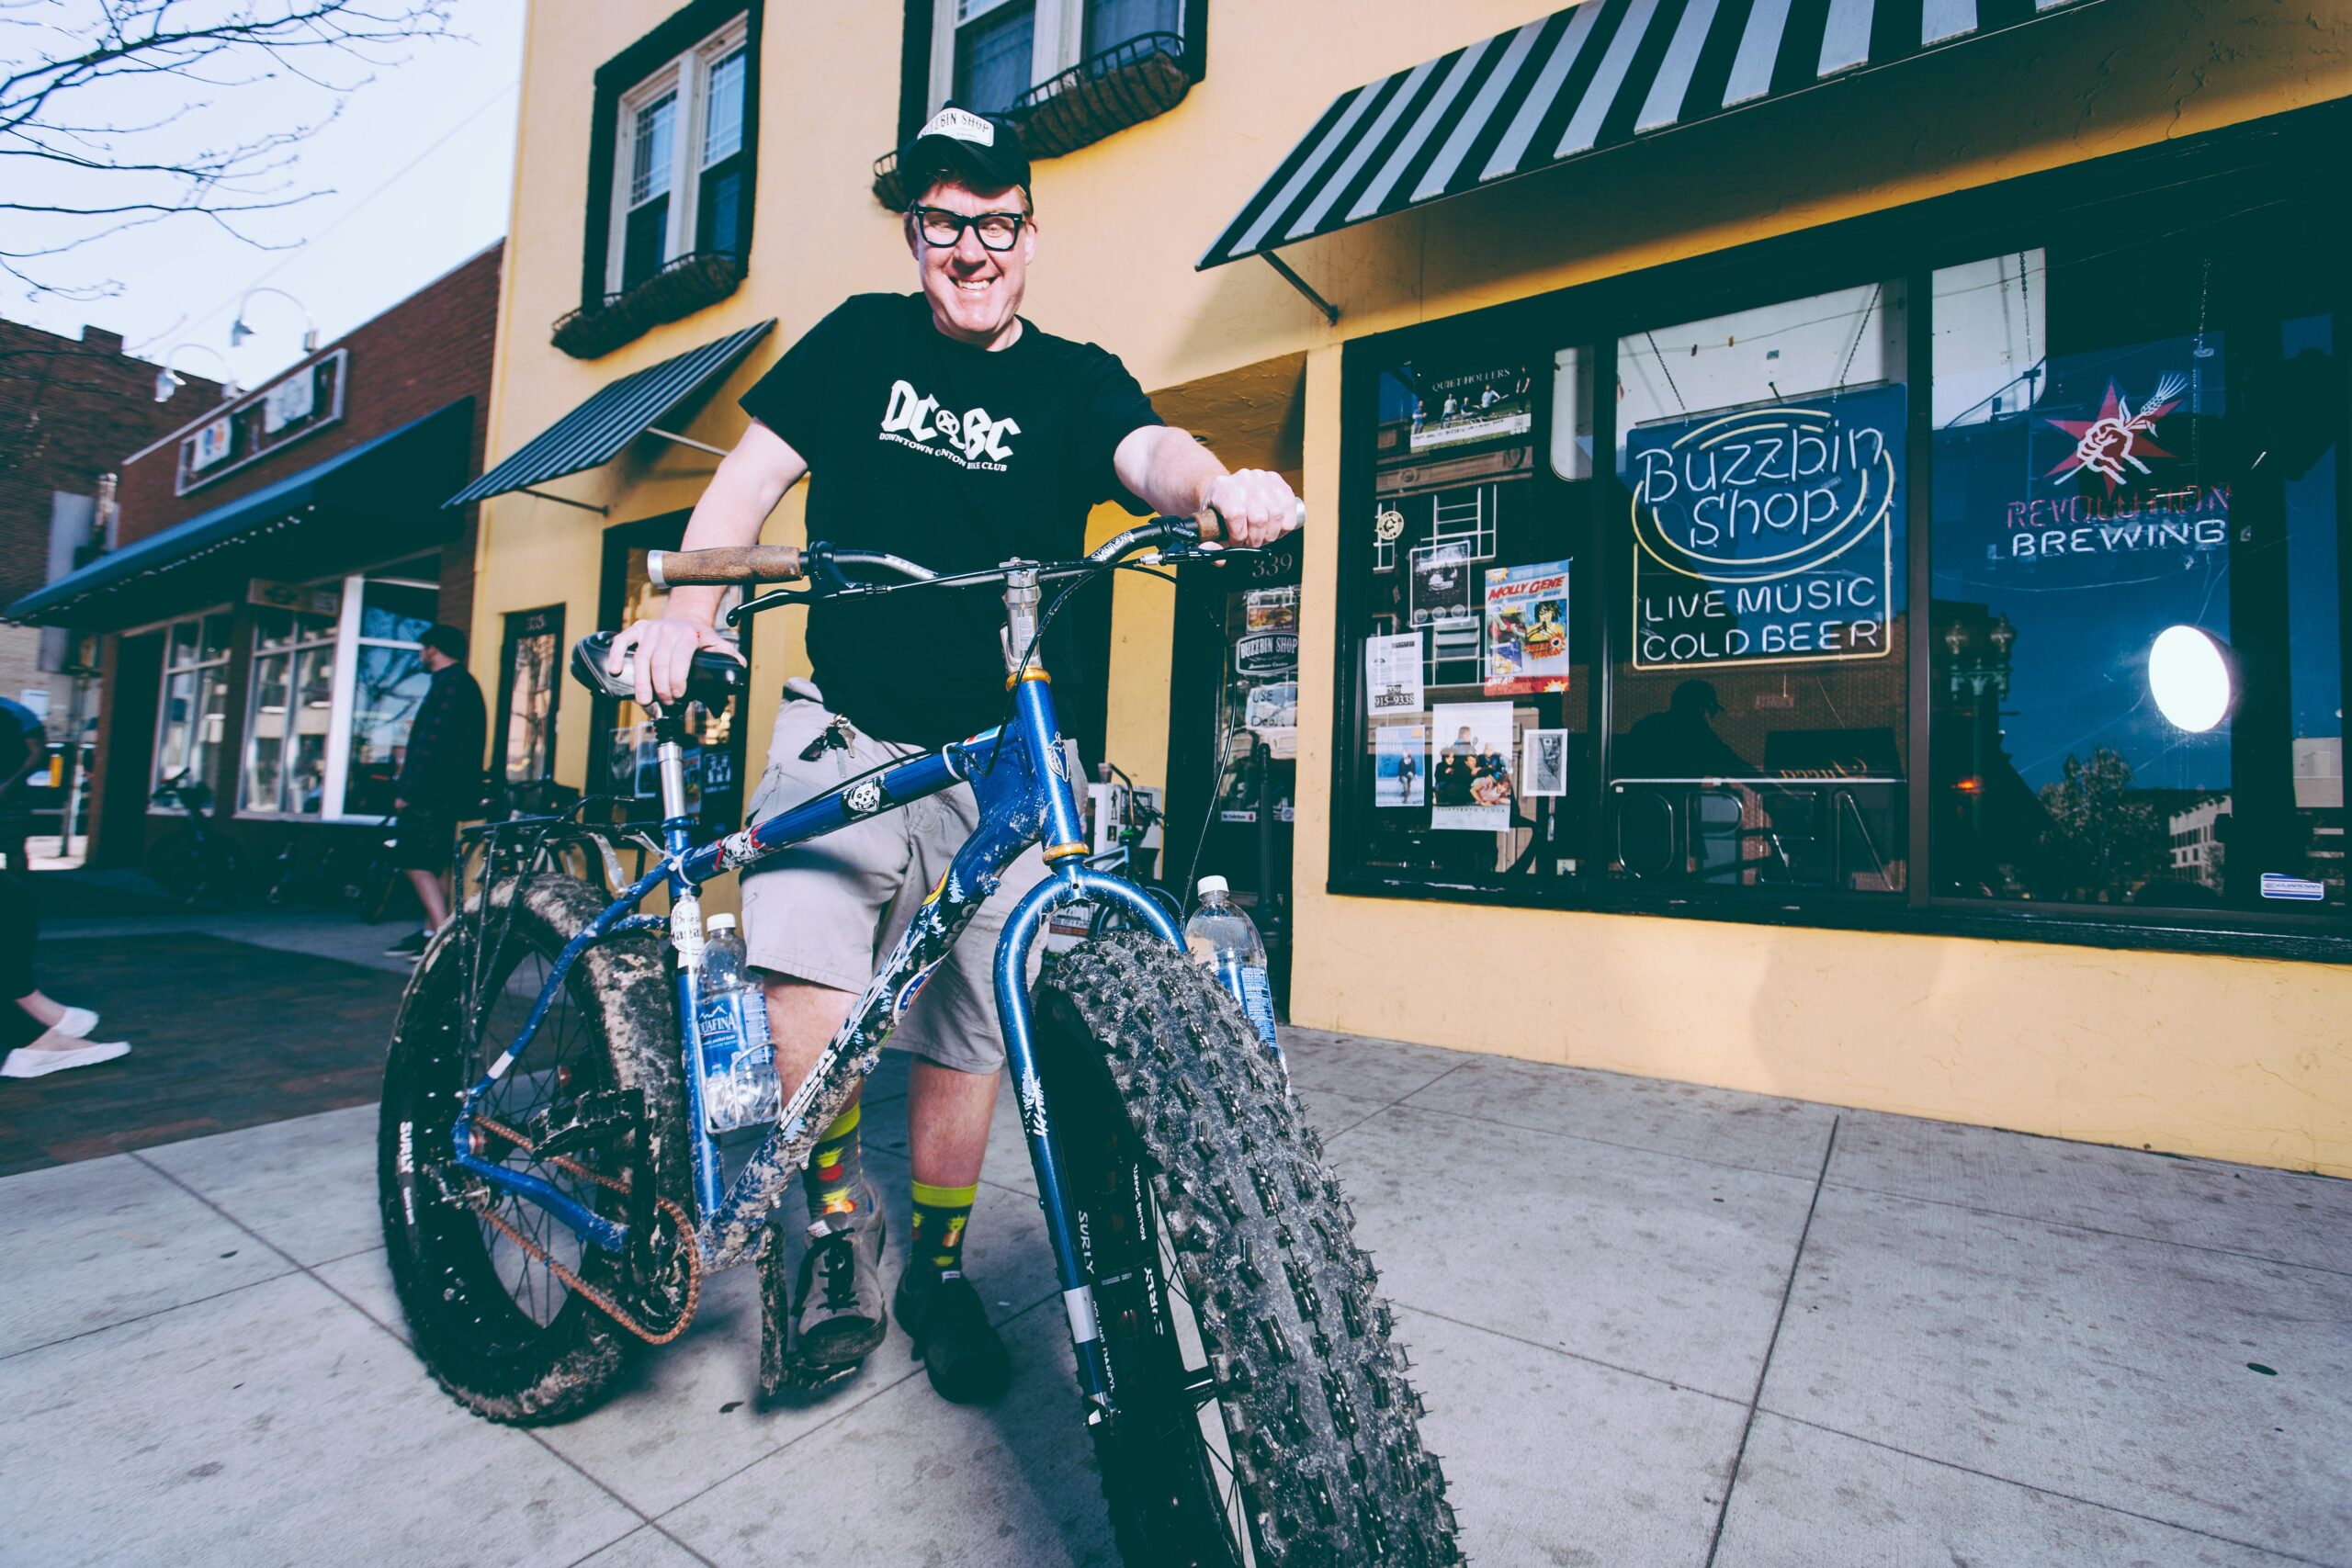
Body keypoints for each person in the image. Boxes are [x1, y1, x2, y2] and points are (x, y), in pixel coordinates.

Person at [606, 105, 1300, 1406]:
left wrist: (1218, 486)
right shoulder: (861, 343)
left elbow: (1149, 451)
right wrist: (690, 613)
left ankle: (933, 1267)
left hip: (1002, 755)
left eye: (993, 221)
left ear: (1027, 233)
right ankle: (833, 1220)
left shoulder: (1075, 375)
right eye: (941, 222)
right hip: (849, 724)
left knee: (972, 1029)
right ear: (915, 234)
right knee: (805, 981)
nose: (969, 246)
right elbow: (749, 480)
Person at [0, 697, 123, 1078]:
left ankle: (29, 1010)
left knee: (13, 898)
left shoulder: (9, 713)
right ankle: (29, 1036)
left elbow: (32, 752)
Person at [385, 626, 486, 960]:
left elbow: (430, 745)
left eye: (423, 648)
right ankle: (432, 931)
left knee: (413, 860)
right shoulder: (461, 684)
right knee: (436, 861)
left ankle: (443, 939)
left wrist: (407, 790)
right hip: (448, 791)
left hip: (432, 792)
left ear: (433, 649)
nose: (420, 654)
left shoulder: (449, 685)